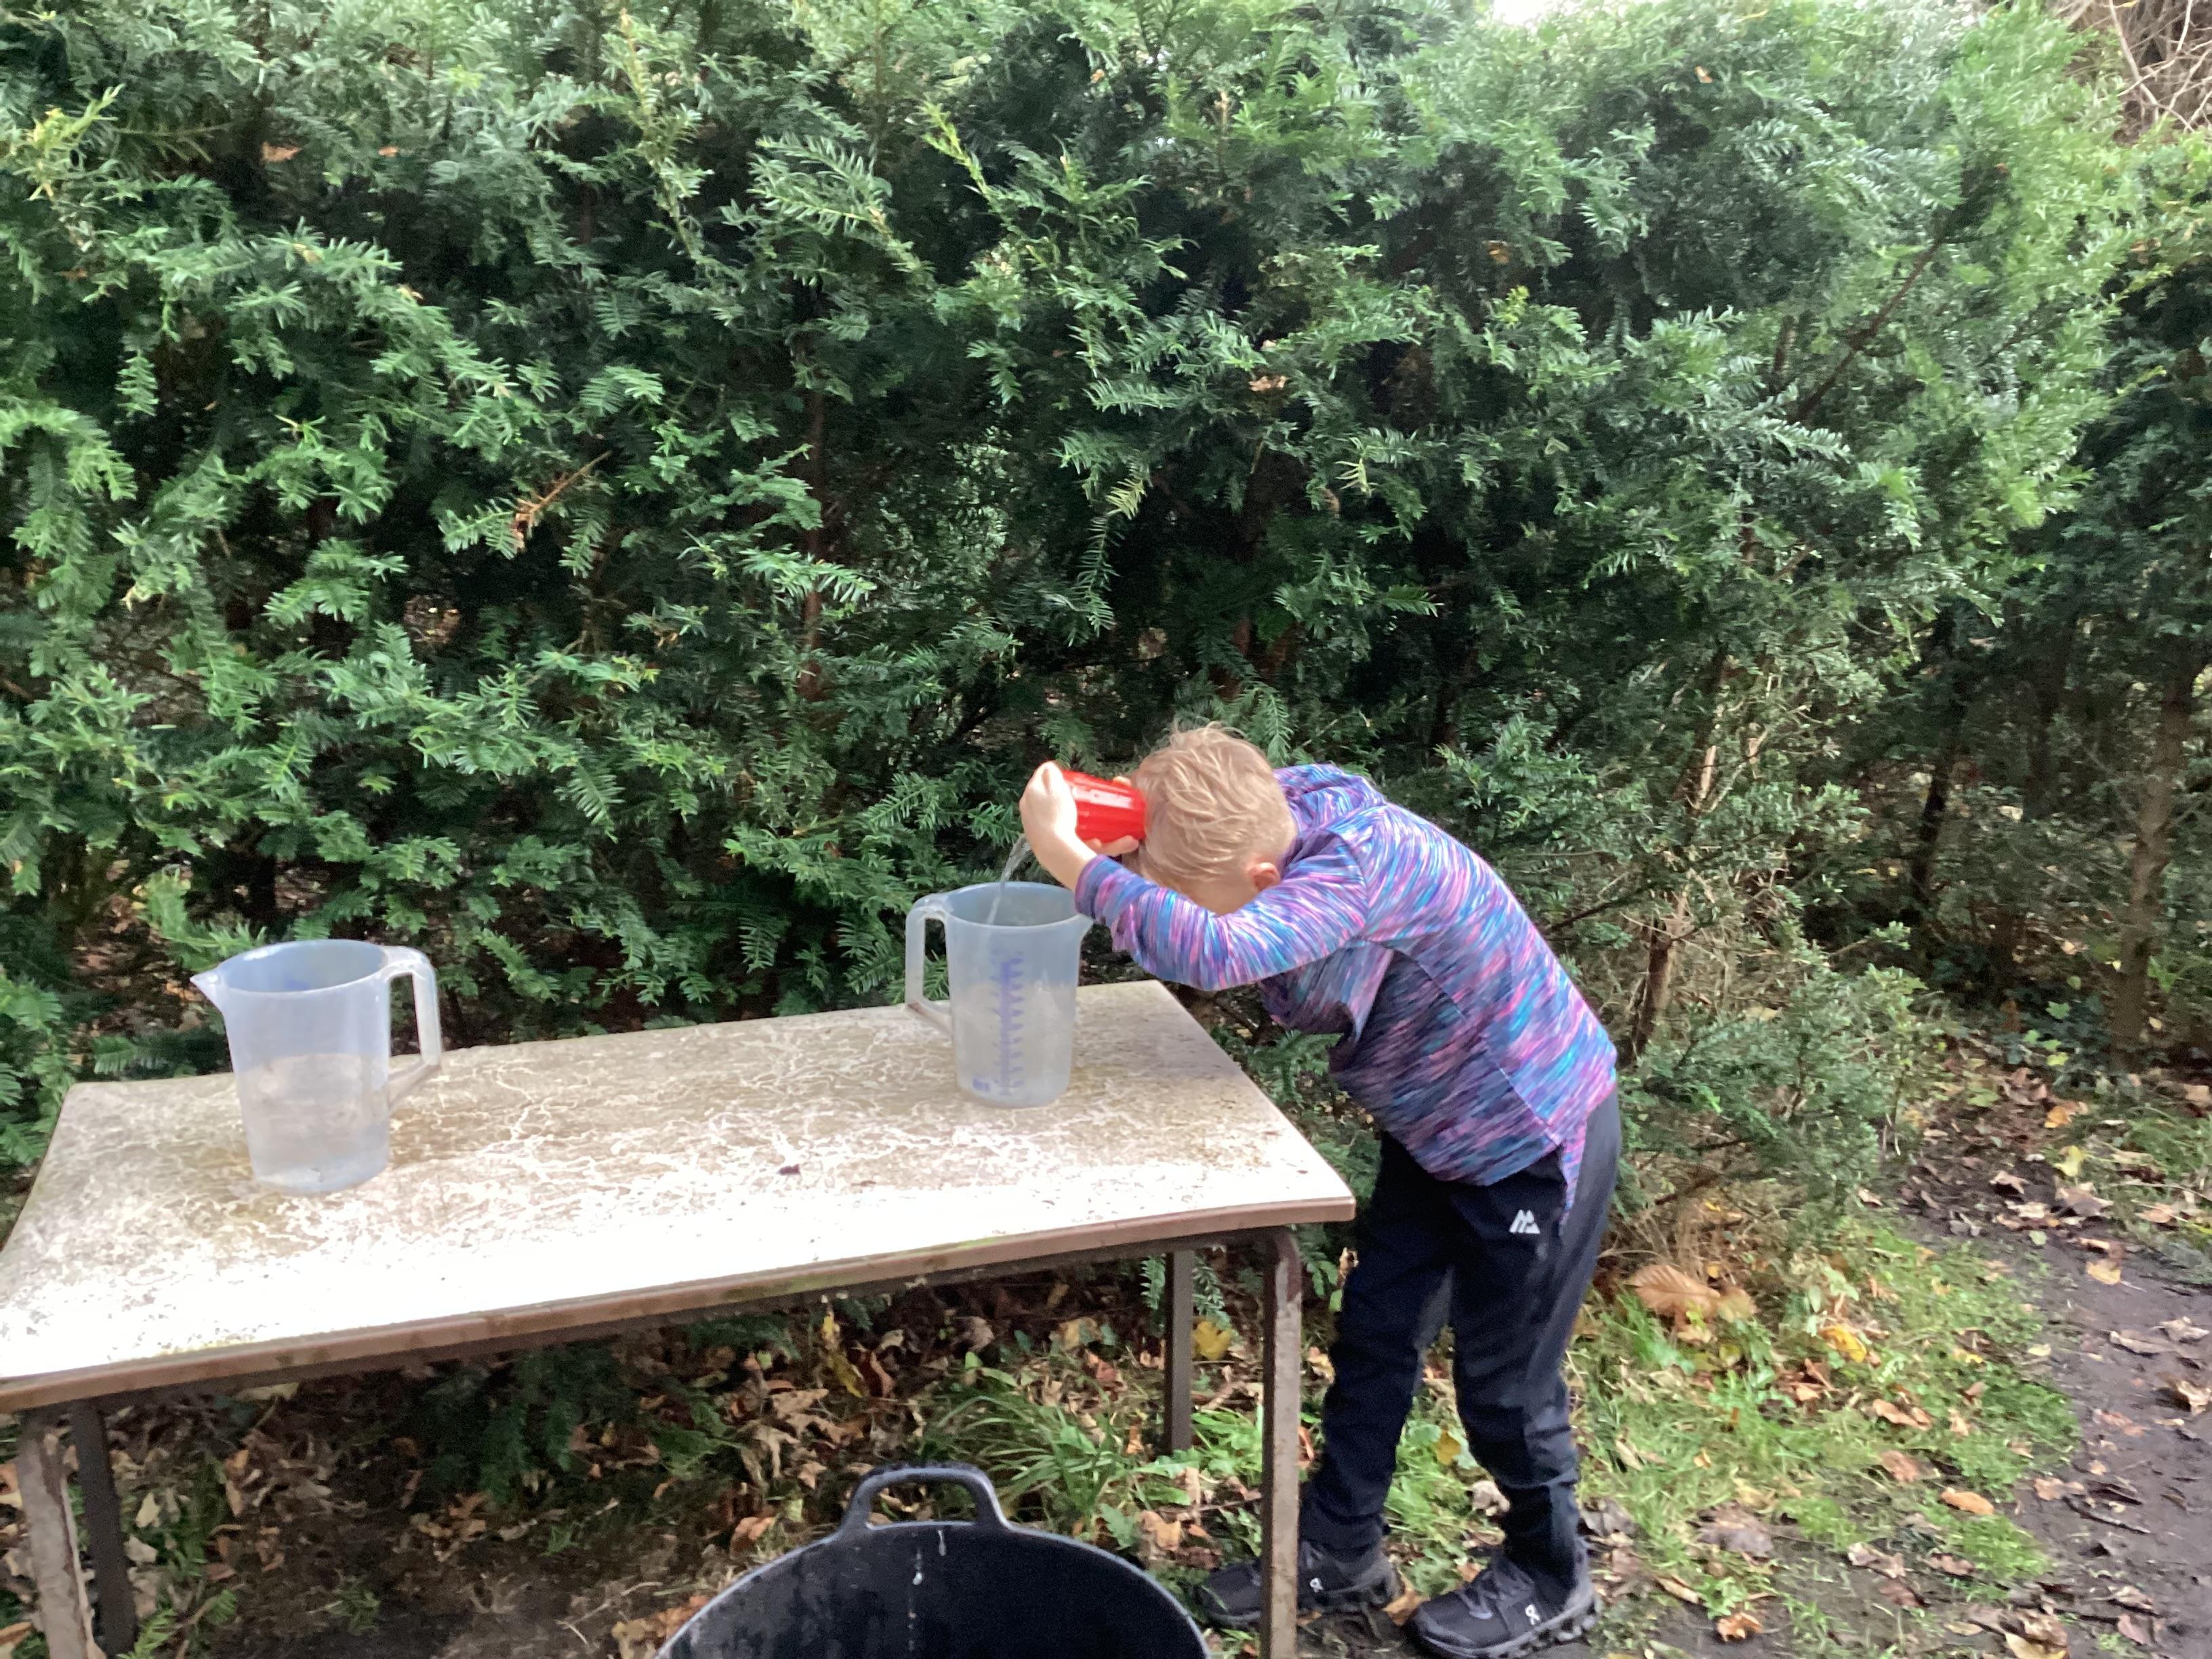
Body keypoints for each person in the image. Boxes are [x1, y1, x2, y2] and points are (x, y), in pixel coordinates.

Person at [1018, 725, 1618, 1659]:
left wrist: (1069, 859)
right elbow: (1203, 807)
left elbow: (1216, 950)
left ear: (1264, 878)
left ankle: (1552, 1573)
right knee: (1377, 1331)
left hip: (1532, 1138)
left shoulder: (1360, 870)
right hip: (1437, 1133)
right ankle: (1340, 1547)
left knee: (1506, 1384)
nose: (1164, 909)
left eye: (1182, 894)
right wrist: (1128, 822)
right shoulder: (1275, 808)